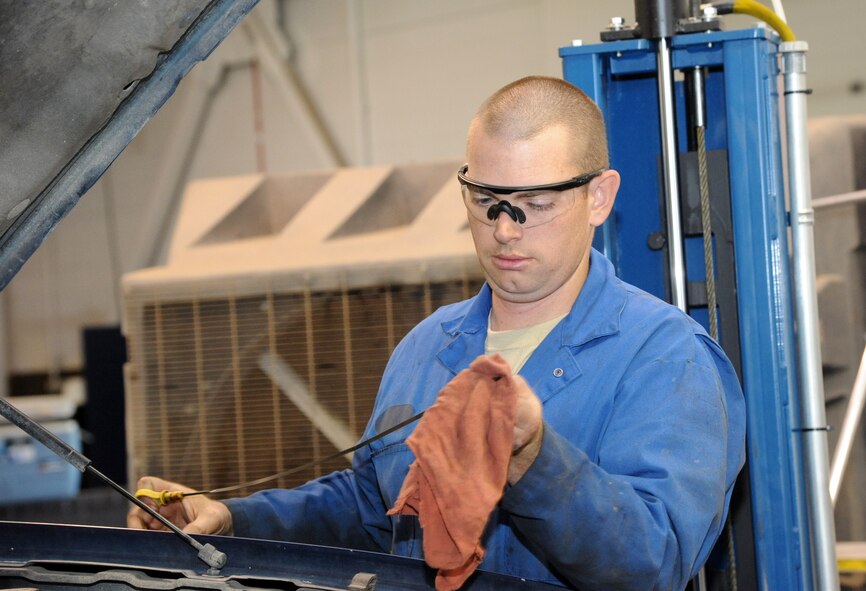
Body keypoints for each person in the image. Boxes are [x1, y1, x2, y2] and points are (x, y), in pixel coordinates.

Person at [129, 75, 746, 590]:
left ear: (599, 197)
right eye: (486, 200)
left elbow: (654, 564)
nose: (505, 230)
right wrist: (231, 518)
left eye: (535, 203)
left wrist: (535, 460)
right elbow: (371, 511)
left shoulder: (666, 359)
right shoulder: (428, 347)